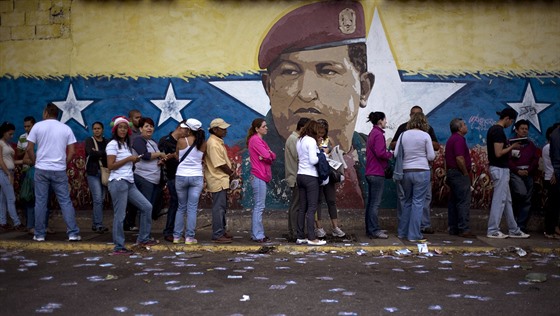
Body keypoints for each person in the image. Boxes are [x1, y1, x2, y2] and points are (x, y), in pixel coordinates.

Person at [259, 0, 374, 208]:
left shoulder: (374, 157)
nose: (307, 93)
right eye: (290, 72)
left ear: (364, 89)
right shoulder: (243, 164)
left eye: (328, 71)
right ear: (269, 87)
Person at [25, 103, 81, 242]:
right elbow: (72, 151)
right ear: (58, 114)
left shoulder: (37, 126)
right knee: (65, 202)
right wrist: (64, 163)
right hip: (59, 170)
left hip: (41, 169)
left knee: (40, 202)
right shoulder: (66, 128)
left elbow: (29, 148)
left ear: (45, 113)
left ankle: (39, 234)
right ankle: (73, 233)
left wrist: (36, 162)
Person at [106, 116, 154, 255]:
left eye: (125, 128)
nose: (123, 130)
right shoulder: (113, 144)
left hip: (129, 181)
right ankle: (119, 246)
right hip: (118, 182)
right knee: (120, 215)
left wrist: (133, 161)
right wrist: (128, 159)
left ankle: (143, 239)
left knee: (146, 207)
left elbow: (125, 162)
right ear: (115, 129)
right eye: (120, 128)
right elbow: (110, 166)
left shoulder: (126, 144)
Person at [390, 106, 440, 235]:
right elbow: (431, 156)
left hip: (405, 171)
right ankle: (414, 234)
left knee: (406, 201)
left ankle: (402, 232)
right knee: (418, 202)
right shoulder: (425, 135)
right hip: (421, 170)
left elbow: (395, 154)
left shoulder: (403, 134)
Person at [486, 108, 529, 239]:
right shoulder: (498, 131)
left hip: (500, 169)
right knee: (500, 200)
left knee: (507, 201)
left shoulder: (494, 130)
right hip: (499, 169)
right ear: (507, 119)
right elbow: (498, 153)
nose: (511, 125)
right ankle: (493, 229)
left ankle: (514, 229)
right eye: (511, 121)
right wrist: (512, 147)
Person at [130, 117, 168, 227]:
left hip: (154, 179)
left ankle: (145, 233)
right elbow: (145, 155)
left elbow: (152, 157)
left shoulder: (152, 142)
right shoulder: (138, 140)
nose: (149, 128)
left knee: (149, 207)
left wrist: (160, 161)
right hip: (144, 177)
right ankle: (144, 235)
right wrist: (160, 154)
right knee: (145, 207)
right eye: (146, 126)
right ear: (140, 129)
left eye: (151, 126)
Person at [174, 119, 206, 245]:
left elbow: (177, 156)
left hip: (181, 176)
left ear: (189, 129)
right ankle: (189, 237)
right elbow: (203, 158)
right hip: (196, 176)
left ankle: (176, 236)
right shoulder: (203, 143)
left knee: (181, 207)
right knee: (192, 208)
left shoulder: (181, 141)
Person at [205, 118, 237, 243]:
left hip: (221, 179)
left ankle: (221, 231)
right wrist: (232, 173)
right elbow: (219, 164)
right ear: (214, 129)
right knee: (218, 207)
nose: (225, 131)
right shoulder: (213, 144)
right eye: (222, 129)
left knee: (222, 207)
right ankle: (218, 234)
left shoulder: (217, 142)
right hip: (217, 178)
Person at [296, 120, 326, 246]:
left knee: (302, 208)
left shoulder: (300, 140)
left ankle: (300, 236)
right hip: (310, 177)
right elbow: (313, 160)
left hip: (300, 175)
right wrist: (322, 155)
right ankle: (312, 237)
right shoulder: (311, 141)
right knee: (312, 208)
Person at [314, 119, 346, 238]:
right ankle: (319, 227)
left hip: (328, 173)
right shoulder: (311, 141)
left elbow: (328, 152)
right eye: (319, 132)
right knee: (317, 201)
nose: (320, 135)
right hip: (316, 175)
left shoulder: (328, 140)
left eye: (323, 133)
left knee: (331, 201)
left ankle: (335, 227)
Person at [247, 118, 276, 243]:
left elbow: (272, 156)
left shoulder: (260, 141)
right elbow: (267, 155)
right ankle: (258, 235)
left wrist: (267, 155)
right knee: (259, 206)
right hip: (259, 175)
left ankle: (258, 234)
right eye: (264, 126)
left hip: (260, 176)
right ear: (257, 129)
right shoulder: (256, 140)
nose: (266, 128)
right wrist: (267, 156)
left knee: (259, 206)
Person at [445, 118, 475, 238]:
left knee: (454, 201)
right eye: (464, 124)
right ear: (459, 128)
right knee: (463, 201)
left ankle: (454, 227)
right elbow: (459, 158)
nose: (466, 126)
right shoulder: (458, 140)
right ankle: (464, 228)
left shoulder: (451, 139)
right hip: (458, 173)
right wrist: (465, 173)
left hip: (452, 173)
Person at [365, 112, 393, 239]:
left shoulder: (372, 133)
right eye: (385, 120)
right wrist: (391, 154)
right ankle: (374, 230)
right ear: (380, 121)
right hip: (377, 173)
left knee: (371, 203)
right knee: (375, 204)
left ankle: (370, 228)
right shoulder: (379, 134)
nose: (386, 122)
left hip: (371, 172)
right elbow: (381, 153)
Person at [158, 121, 188, 242]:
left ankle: (177, 230)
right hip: (171, 176)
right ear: (181, 128)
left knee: (180, 204)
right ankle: (169, 231)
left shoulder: (183, 142)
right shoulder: (165, 141)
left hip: (182, 175)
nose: (187, 133)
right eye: (187, 130)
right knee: (175, 202)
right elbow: (162, 159)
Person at [508, 119, 539, 233]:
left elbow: (535, 159)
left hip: (528, 173)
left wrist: (529, 170)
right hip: (516, 174)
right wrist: (517, 170)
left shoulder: (531, 144)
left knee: (527, 200)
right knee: (521, 193)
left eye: (526, 129)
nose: (524, 131)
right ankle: (514, 221)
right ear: (516, 130)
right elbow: (508, 160)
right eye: (522, 129)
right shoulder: (511, 143)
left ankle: (521, 226)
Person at [284, 117, 309, 242]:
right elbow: (299, 157)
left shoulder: (296, 139)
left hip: (297, 176)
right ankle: (293, 232)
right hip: (295, 177)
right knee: (296, 206)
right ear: (302, 127)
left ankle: (295, 230)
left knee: (297, 206)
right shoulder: (294, 139)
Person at [84, 121, 109, 233]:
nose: (97, 130)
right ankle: (98, 224)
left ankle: (96, 224)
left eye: (99, 128)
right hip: (93, 173)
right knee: (98, 198)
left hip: (104, 172)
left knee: (101, 199)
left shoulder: (107, 141)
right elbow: (90, 153)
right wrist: (102, 153)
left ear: (102, 130)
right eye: (94, 128)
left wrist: (98, 152)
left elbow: (110, 154)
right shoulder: (89, 141)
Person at [0, 122, 25, 231]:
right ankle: (17, 222)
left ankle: (3, 222)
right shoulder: (0, 143)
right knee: (11, 198)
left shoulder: (7, 144)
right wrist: (8, 173)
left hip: (9, 171)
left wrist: (23, 161)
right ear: (4, 132)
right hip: (3, 172)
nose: (12, 136)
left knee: (3, 199)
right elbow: (0, 160)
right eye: (10, 134)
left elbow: (11, 161)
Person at [542, 124, 560, 238]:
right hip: (553, 178)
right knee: (553, 206)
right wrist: (556, 174)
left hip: (552, 177)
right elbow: (555, 161)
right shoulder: (549, 147)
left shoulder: (547, 147)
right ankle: (551, 229)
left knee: (553, 205)